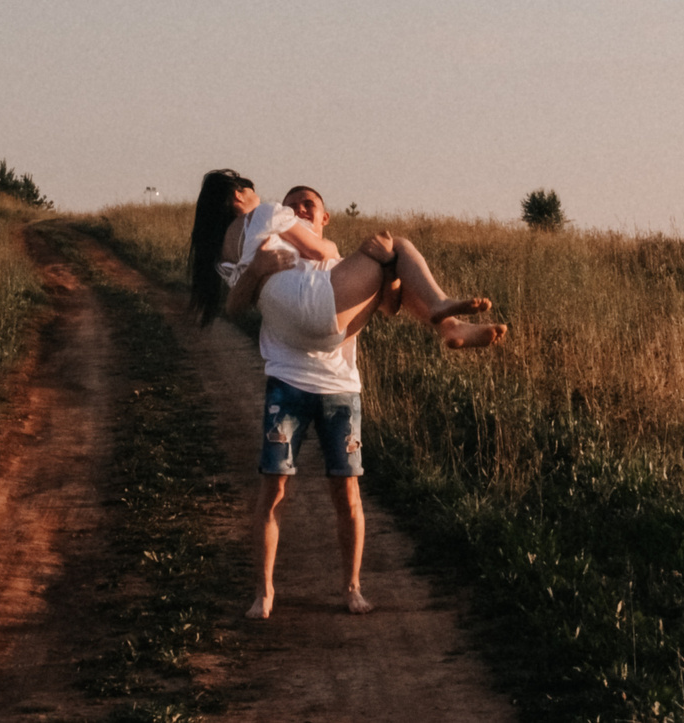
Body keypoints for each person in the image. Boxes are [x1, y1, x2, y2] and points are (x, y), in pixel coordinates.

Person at [185, 170, 504, 618]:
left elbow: (388, 304)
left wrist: (381, 273)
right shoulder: (268, 216)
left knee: (326, 493)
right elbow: (326, 250)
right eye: (292, 203)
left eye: (307, 205)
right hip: (298, 363)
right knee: (395, 246)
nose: (295, 209)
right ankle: (443, 315)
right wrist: (368, 255)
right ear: (241, 194)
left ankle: (311, 591)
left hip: (329, 360)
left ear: (325, 215)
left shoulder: (246, 246)